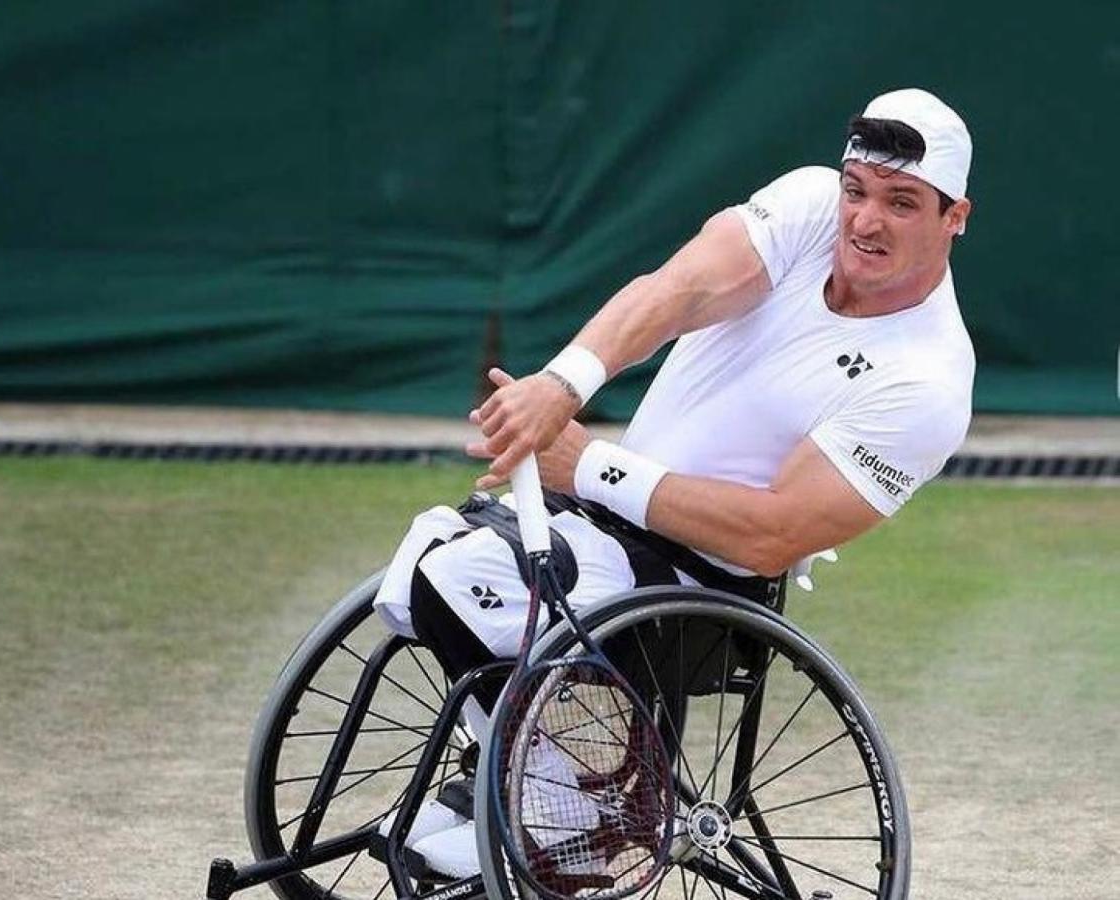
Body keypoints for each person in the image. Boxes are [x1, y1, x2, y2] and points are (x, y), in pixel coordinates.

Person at [372, 87, 975, 877]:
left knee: (455, 579)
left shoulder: (927, 380)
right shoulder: (805, 206)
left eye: (901, 203)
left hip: (703, 587)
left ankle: (571, 804)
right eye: (856, 189)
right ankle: (537, 779)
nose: (864, 221)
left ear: (952, 218)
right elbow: (676, 290)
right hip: (606, 524)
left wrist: (589, 462)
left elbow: (773, 535)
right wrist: (561, 386)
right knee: (425, 555)